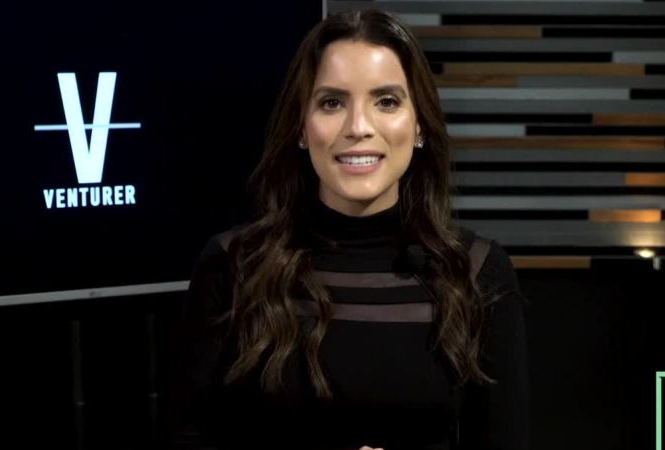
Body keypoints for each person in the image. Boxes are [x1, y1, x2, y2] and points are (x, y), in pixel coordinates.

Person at [165, 9, 529, 450]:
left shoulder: (476, 271)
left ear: (418, 125)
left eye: (386, 101)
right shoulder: (234, 266)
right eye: (332, 102)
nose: (358, 127)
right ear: (301, 127)